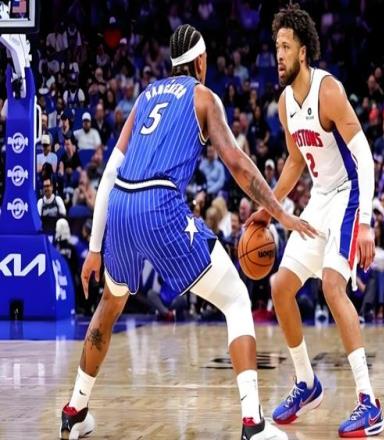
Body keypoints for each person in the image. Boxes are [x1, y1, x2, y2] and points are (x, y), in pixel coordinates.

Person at [59, 24, 317, 440]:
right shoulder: (203, 97)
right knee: (236, 299)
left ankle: (75, 411)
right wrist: (279, 213)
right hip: (159, 203)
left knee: (110, 302)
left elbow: (109, 172)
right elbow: (236, 163)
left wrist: (94, 247)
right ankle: (253, 423)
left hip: (120, 204)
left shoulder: (145, 97)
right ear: (200, 62)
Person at [246, 5, 383, 437]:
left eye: (286, 47)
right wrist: (270, 206)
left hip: (349, 194)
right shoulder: (285, 103)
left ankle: (369, 402)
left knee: (331, 286)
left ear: (303, 52)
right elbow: (294, 161)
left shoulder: (329, 91)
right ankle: (306, 383)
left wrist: (366, 222)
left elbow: (364, 156)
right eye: (276, 47)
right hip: (321, 198)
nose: (279, 55)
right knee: (280, 287)